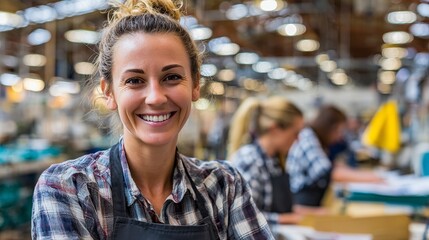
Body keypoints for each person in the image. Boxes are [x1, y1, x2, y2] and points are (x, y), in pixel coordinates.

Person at [31, 1, 274, 239]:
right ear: (108, 92)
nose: (156, 98)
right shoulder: (68, 188)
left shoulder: (224, 186)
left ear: (196, 85)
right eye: (134, 81)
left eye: (172, 77)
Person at [228, 96, 326, 225]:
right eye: (295, 133)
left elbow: (280, 209)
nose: (298, 140)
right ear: (275, 129)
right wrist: (286, 219)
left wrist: (312, 213)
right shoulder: (249, 161)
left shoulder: (275, 161)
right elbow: (244, 217)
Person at [287, 105, 383, 207]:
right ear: (331, 128)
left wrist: (367, 175)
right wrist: (372, 177)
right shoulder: (308, 139)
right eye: (339, 130)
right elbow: (331, 173)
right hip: (302, 205)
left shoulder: (317, 140)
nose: (339, 136)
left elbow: (334, 167)